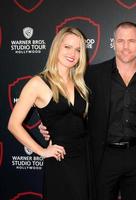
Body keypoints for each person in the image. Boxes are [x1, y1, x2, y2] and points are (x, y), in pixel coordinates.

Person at [40, 22, 136, 200]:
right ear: (113, 43)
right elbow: (65, 103)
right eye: (120, 41)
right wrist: (50, 125)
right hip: (102, 157)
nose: (125, 46)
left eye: (132, 41)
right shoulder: (90, 75)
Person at [8, 27, 90, 200]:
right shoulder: (38, 83)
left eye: (77, 49)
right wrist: (41, 151)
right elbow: (13, 125)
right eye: (67, 47)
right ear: (57, 48)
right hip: (61, 160)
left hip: (85, 159)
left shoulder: (80, 83)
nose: (72, 53)